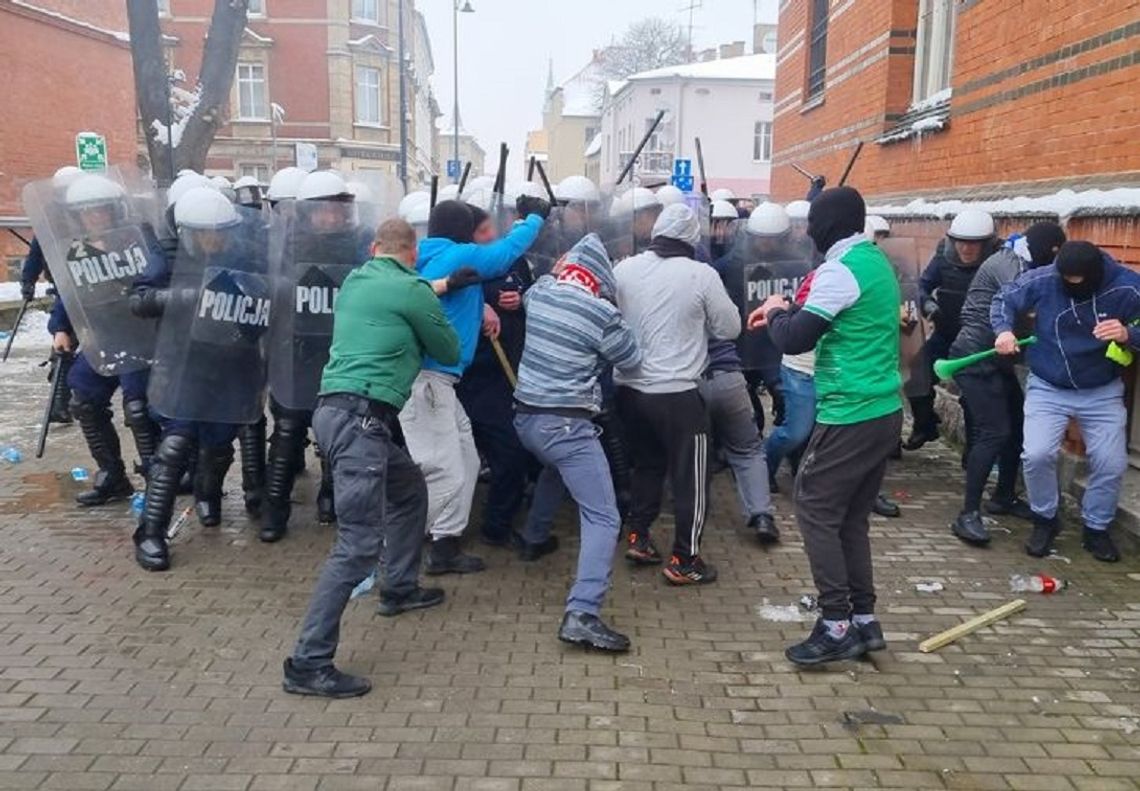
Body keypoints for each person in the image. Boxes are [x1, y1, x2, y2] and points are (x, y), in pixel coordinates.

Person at [283, 219, 460, 698]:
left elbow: (401, 294)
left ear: (374, 248)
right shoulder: (414, 290)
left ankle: (399, 587)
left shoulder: (358, 281)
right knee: (357, 546)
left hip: (337, 413)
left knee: (408, 490)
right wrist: (432, 301)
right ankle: (308, 662)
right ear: (415, 253)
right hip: (362, 420)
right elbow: (448, 349)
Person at [748, 186, 903, 666]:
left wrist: (776, 311)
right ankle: (863, 621)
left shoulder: (840, 270)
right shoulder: (874, 262)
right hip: (883, 410)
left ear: (828, 225)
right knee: (851, 516)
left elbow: (795, 337)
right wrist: (785, 312)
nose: (806, 231)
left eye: (812, 222)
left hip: (851, 411)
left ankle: (835, 624)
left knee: (814, 506)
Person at [400, 197, 548, 575]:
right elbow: (504, 254)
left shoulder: (422, 257)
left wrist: (478, 304)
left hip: (439, 382)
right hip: (429, 382)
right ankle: (399, 551)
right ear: (463, 232)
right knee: (442, 469)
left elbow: (441, 292)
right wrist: (534, 219)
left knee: (464, 458)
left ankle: (445, 544)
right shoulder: (457, 255)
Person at [130, 187, 271, 571]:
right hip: (185, 363)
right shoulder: (167, 259)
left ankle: (209, 494)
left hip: (233, 361)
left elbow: (272, 292)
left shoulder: (245, 255)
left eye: (220, 231)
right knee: (175, 445)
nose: (213, 239)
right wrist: (181, 296)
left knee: (219, 444)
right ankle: (151, 533)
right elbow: (139, 299)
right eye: (205, 233)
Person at [512, 233, 641, 650]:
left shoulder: (542, 292)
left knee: (556, 469)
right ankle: (583, 612)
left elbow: (546, 282)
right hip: (567, 426)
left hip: (527, 420)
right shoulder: (600, 312)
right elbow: (632, 359)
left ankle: (534, 537)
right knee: (604, 516)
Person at [615, 203, 741, 585]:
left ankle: (638, 536)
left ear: (656, 235)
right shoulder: (701, 274)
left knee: (646, 466)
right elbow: (729, 328)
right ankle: (685, 560)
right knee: (692, 477)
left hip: (628, 390)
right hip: (677, 394)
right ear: (691, 239)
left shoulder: (623, 268)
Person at [992, 240, 1140, 563]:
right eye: (1066, 283)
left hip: (1101, 390)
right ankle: (1045, 519)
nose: (1072, 288)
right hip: (1048, 386)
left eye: (1079, 284)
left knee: (1111, 463)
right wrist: (1003, 331)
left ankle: (1096, 528)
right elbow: (1004, 298)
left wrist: (1130, 335)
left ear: (1096, 276)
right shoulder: (1045, 278)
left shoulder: (1127, 286)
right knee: (1037, 454)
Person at [948, 222, 1066, 545]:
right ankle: (967, 514)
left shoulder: (1026, 260)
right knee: (994, 432)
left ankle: (1003, 498)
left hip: (999, 361)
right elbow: (1025, 305)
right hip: (974, 357)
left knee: (1016, 426)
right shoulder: (1009, 264)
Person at [455, 201, 538, 550]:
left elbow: (533, 294)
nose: (492, 236)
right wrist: (481, 305)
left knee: (511, 453)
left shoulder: (513, 260)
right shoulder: (457, 264)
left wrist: (520, 300)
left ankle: (497, 524)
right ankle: (447, 528)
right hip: (469, 375)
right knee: (462, 457)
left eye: (492, 228)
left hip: (508, 374)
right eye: (483, 231)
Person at [905, 209, 999, 450]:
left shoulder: (999, 262)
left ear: (986, 244)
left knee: (972, 396)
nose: (965, 250)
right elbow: (922, 285)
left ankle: (973, 450)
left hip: (978, 340)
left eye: (973, 245)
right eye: (960, 243)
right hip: (946, 332)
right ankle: (924, 424)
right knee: (916, 373)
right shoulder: (943, 257)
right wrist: (928, 304)